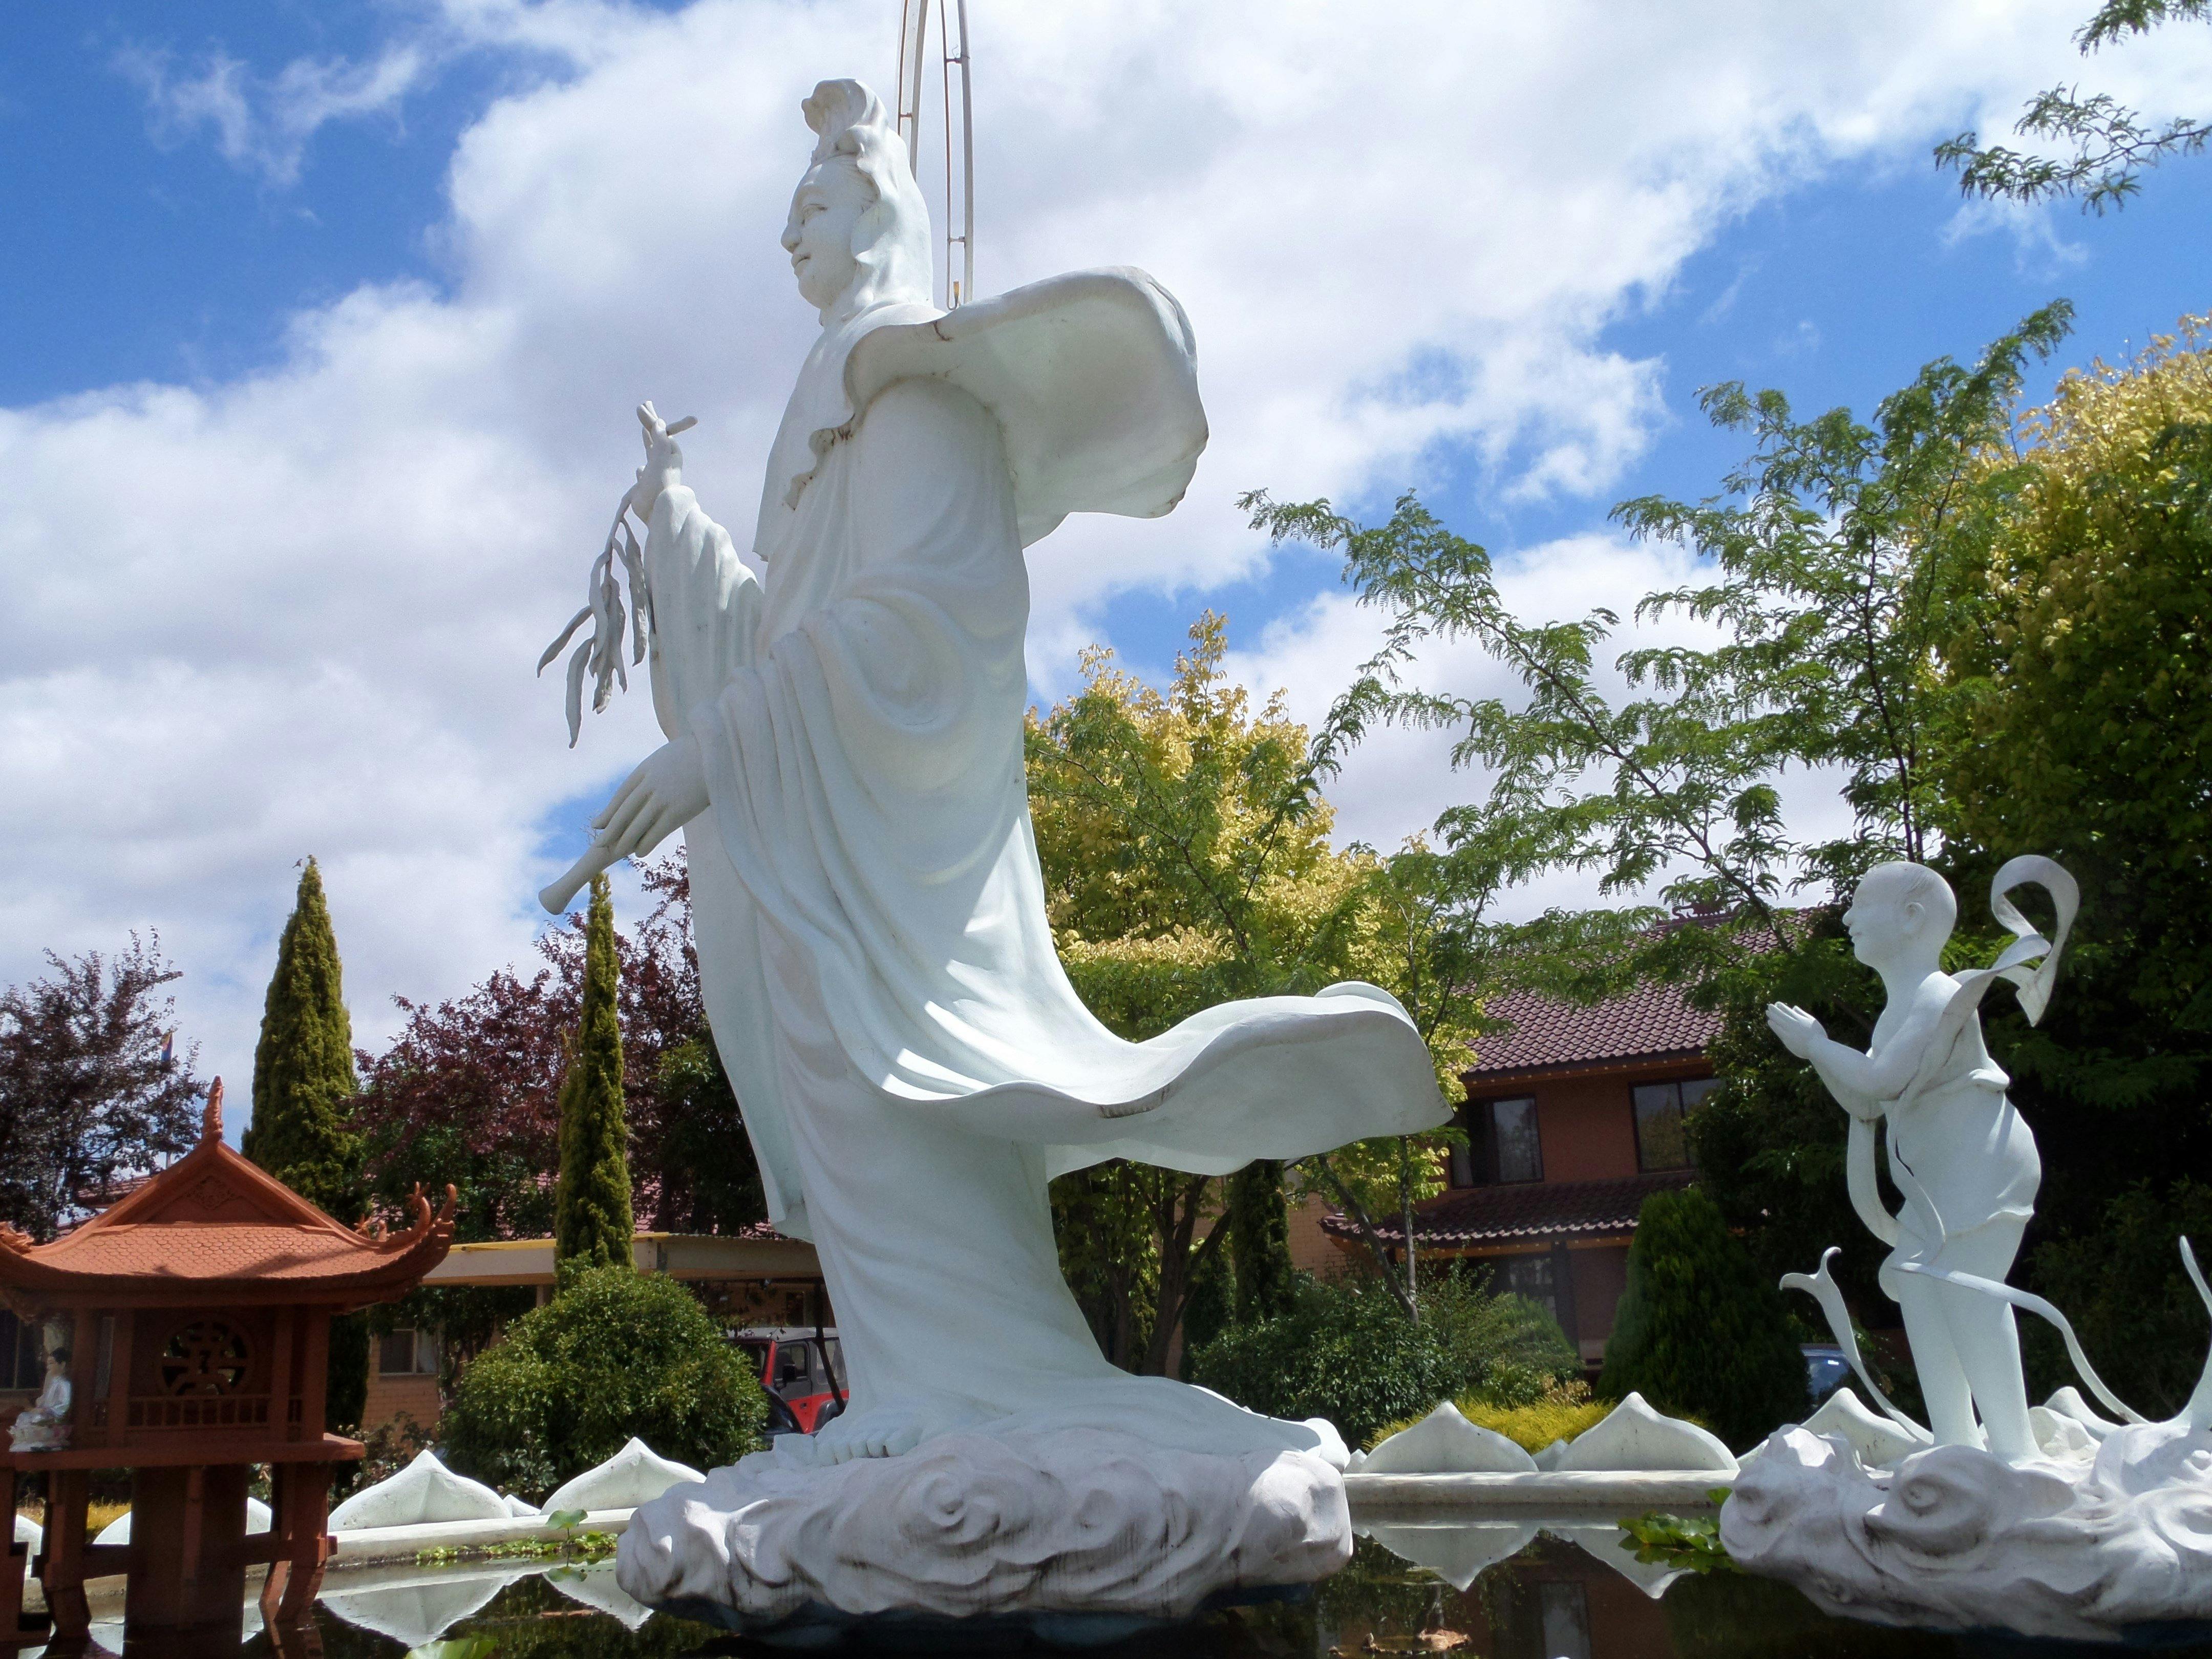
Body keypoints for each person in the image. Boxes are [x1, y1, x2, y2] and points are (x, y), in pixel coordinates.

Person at [553, 80, 1444, 1469]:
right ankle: (920, 1386)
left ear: (881, 210)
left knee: (904, 1087)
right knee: (849, 1097)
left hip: (892, 861)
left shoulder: (914, 394)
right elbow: (783, 626)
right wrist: (677, 526)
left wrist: (722, 744)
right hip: (820, 853)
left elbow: (929, 623)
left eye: (816, 203)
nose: (790, 234)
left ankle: (967, 1385)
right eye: (787, 210)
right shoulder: (837, 403)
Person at [1768, 863, 2040, 1460]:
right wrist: (1818, 1054)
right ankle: (1956, 1448)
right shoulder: (1897, 1011)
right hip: (1934, 1186)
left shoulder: (1939, 995)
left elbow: (1884, 1079)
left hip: (1981, 1170)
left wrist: (1817, 1044)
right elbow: (1866, 1099)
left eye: (1862, 903)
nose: (1847, 917)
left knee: (1970, 1296)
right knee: (1923, 1298)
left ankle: (2019, 1458)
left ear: (1912, 918)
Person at [9, 1345, 70, 1453]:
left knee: (38, 1419)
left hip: (53, 1416)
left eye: (51, 1363)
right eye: (48, 1364)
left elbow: (64, 1405)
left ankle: (41, 1441)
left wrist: (47, 1410)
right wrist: (39, 1404)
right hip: (44, 1413)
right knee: (23, 1417)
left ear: (62, 1364)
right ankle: (27, 1442)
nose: (48, 1367)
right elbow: (44, 1400)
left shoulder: (65, 1384)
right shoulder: (52, 1383)